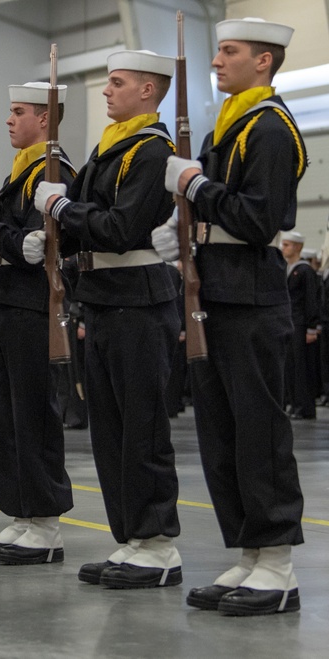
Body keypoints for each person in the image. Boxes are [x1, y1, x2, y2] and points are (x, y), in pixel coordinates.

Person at [158, 17, 307, 616]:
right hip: (216, 292)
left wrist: (195, 185)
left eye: (230, 51)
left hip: (249, 294)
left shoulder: (269, 128)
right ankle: (251, 551)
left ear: (263, 62)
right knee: (222, 431)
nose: (217, 60)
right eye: (217, 51)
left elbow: (259, 220)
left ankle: (278, 563)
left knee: (259, 430)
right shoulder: (232, 124)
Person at [33, 50, 181, 589]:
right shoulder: (110, 147)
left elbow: (120, 229)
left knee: (141, 427)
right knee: (111, 431)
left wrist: (62, 210)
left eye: (117, 83)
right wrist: (49, 225)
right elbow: (82, 224)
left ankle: (160, 544)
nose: (106, 91)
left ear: (148, 90)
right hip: (101, 295)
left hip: (138, 298)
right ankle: (133, 540)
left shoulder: (150, 151)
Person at [0, 82, 77, 562]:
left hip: (32, 305)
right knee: (5, 413)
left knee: (34, 413)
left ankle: (46, 522)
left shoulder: (52, 170)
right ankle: (22, 514)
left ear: (45, 119)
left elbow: (31, 247)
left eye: (18, 112)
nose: (8, 120)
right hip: (6, 302)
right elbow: (6, 246)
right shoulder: (20, 172)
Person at [279, 232, 320, 419]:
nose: (283, 248)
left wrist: (312, 327)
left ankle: (304, 406)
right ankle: (294, 403)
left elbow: (312, 300)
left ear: (298, 247)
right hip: (290, 323)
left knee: (302, 367)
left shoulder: (305, 271)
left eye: (287, 245)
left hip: (301, 324)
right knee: (291, 366)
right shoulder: (287, 268)